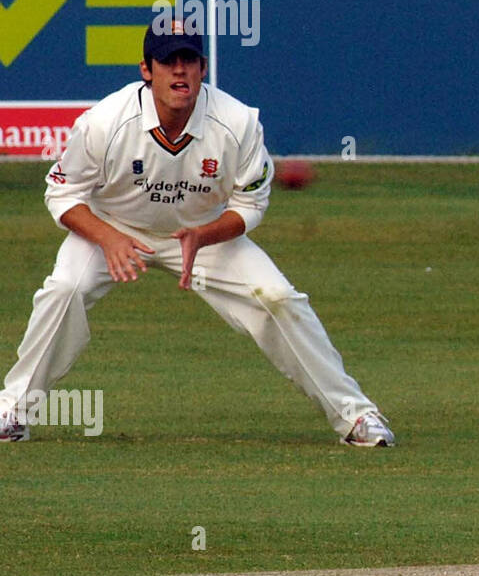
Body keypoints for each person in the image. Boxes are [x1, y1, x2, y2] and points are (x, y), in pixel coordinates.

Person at [0, 25, 394, 448]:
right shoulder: (105, 122)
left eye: (189, 60)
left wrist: (204, 235)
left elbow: (249, 205)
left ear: (203, 68)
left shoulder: (238, 123)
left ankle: (356, 416)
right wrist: (109, 238)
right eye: (168, 62)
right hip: (112, 226)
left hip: (202, 234)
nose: (179, 71)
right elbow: (62, 191)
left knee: (277, 297)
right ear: (146, 71)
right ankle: (14, 410)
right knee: (65, 289)